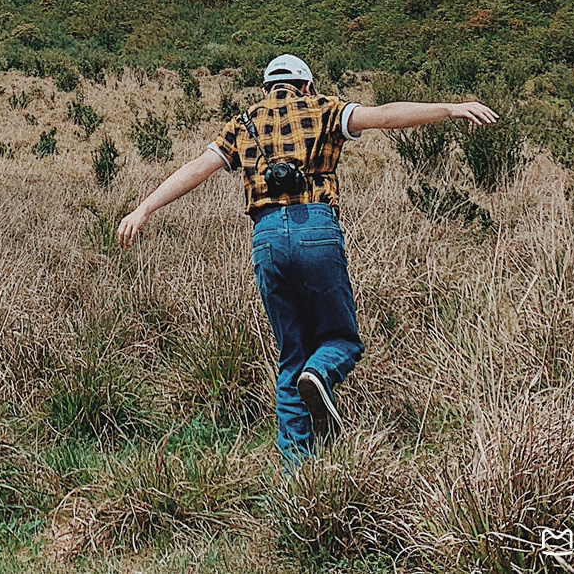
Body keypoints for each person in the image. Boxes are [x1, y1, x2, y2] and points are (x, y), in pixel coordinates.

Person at [116, 53, 499, 462]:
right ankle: (320, 374)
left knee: (290, 355)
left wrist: (144, 208)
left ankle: (297, 475)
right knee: (342, 340)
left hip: (266, 238)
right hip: (316, 228)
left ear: (266, 89)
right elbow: (386, 115)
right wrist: (451, 109)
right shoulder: (324, 108)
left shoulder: (243, 125)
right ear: (306, 86)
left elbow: (197, 168)